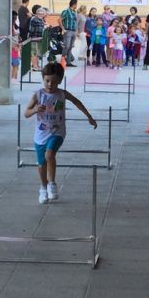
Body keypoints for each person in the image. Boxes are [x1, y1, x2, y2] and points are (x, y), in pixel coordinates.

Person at [24, 62, 97, 204]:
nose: (50, 84)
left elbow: (77, 102)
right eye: (47, 81)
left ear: (60, 81)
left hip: (57, 132)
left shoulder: (62, 94)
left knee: (49, 154)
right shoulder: (38, 95)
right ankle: (43, 188)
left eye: (54, 81)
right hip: (40, 134)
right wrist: (34, 110)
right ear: (43, 79)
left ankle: (52, 184)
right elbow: (26, 113)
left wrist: (89, 117)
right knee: (41, 164)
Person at [59, 0, 78, 66]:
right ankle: (63, 59)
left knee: (70, 47)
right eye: (76, 4)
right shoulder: (66, 11)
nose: (76, 6)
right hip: (68, 30)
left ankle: (68, 62)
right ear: (74, 4)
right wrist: (63, 28)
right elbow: (60, 19)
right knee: (67, 46)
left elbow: (76, 22)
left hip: (73, 31)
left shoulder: (75, 12)